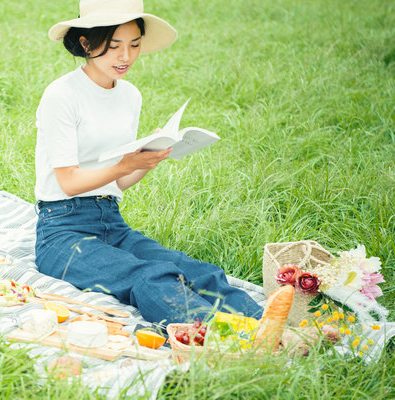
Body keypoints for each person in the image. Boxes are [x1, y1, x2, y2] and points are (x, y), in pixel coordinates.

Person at [34, 0, 263, 325]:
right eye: (114, 46)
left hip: (111, 221)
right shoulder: (62, 95)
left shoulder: (130, 96)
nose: (125, 57)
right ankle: (227, 341)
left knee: (196, 271)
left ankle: (271, 327)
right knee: (149, 276)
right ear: (86, 42)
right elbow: (69, 182)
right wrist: (126, 165)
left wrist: (147, 159)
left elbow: (117, 183)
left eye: (134, 45)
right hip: (62, 232)